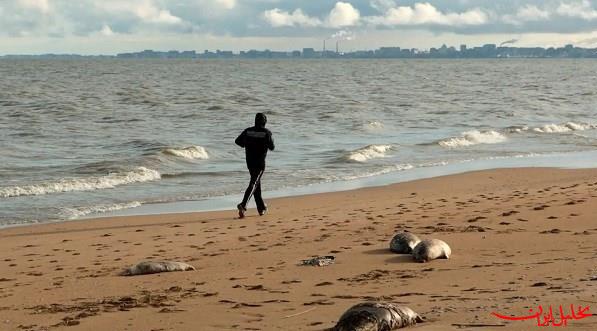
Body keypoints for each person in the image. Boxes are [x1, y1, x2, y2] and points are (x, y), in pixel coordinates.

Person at [235, 113, 275, 218]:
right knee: (254, 183)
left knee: (256, 183)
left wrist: (246, 144)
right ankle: (243, 205)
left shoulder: (248, 131)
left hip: (249, 162)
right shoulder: (266, 133)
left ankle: (261, 208)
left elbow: (237, 141)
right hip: (260, 162)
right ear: (264, 122)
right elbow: (272, 147)